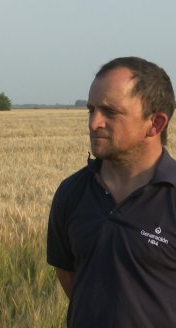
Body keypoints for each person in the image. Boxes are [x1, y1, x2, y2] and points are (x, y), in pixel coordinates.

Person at [47, 56, 176, 327]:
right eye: (91, 109)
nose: (94, 123)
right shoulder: (72, 193)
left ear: (156, 124)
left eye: (110, 112)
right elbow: (70, 277)